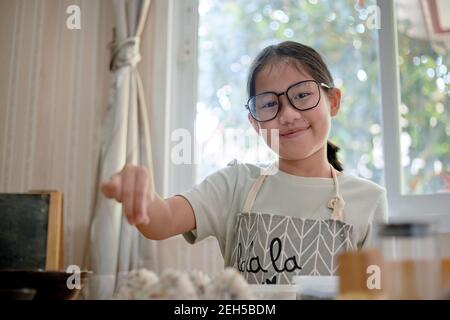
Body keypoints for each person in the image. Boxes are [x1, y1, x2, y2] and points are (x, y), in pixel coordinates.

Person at [101, 41, 388, 285]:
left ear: (333, 101)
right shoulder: (235, 183)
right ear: (254, 122)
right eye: (268, 104)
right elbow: (161, 220)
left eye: (302, 95)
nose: (287, 114)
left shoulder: (370, 200)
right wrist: (140, 192)